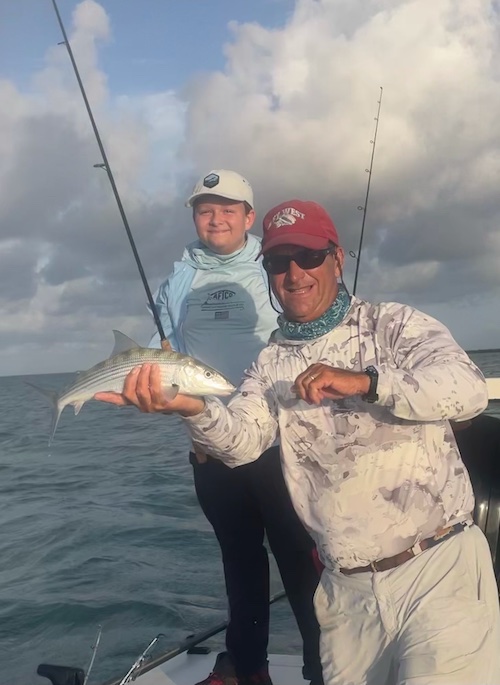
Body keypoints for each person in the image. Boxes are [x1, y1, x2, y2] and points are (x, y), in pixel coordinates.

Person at [97, 199, 500, 685]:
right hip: (346, 594)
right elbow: (242, 443)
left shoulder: (394, 325)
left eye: (308, 256)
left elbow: (468, 389)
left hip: (437, 571)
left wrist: (367, 382)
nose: (294, 274)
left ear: (337, 259)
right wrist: (193, 409)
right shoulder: (270, 364)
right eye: (277, 261)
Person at [145, 174, 323, 685]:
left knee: (301, 561)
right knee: (239, 565)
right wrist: (145, 380)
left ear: (249, 217)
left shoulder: (275, 267)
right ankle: (248, 670)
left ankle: (323, 669)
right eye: (205, 210)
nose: (216, 219)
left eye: (228, 209)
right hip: (211, 448)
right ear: (194, 218)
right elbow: (162, 349)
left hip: (281, 445)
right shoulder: (177, 280)